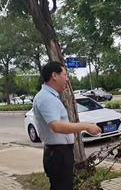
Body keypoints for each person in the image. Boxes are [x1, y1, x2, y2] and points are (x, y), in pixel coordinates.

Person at [33, 62, 102, 190]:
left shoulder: (50, 96)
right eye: (65, 74)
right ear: (54, 75)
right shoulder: (46, 98)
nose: (67, 79)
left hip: (59, 153)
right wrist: (86, 126)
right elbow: (57, 126)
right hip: (58, 154)